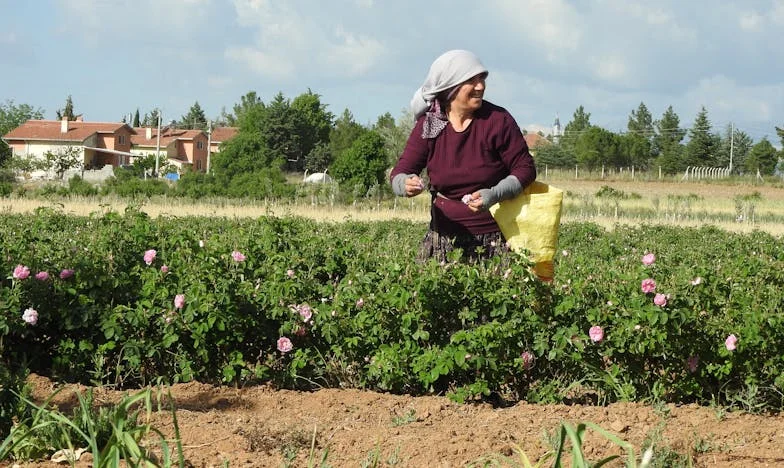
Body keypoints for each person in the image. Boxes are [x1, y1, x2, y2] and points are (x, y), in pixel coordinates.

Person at [390, 49, 537, 262]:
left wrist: (494, 194)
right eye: (472, 80)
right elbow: (398, 173)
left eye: (482, 79)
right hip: (442, 239)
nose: (481, 86)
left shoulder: (497, 121)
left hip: (496, 239)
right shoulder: (431, 125)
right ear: (451, 87)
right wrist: (404, 183)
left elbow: (525, 168)